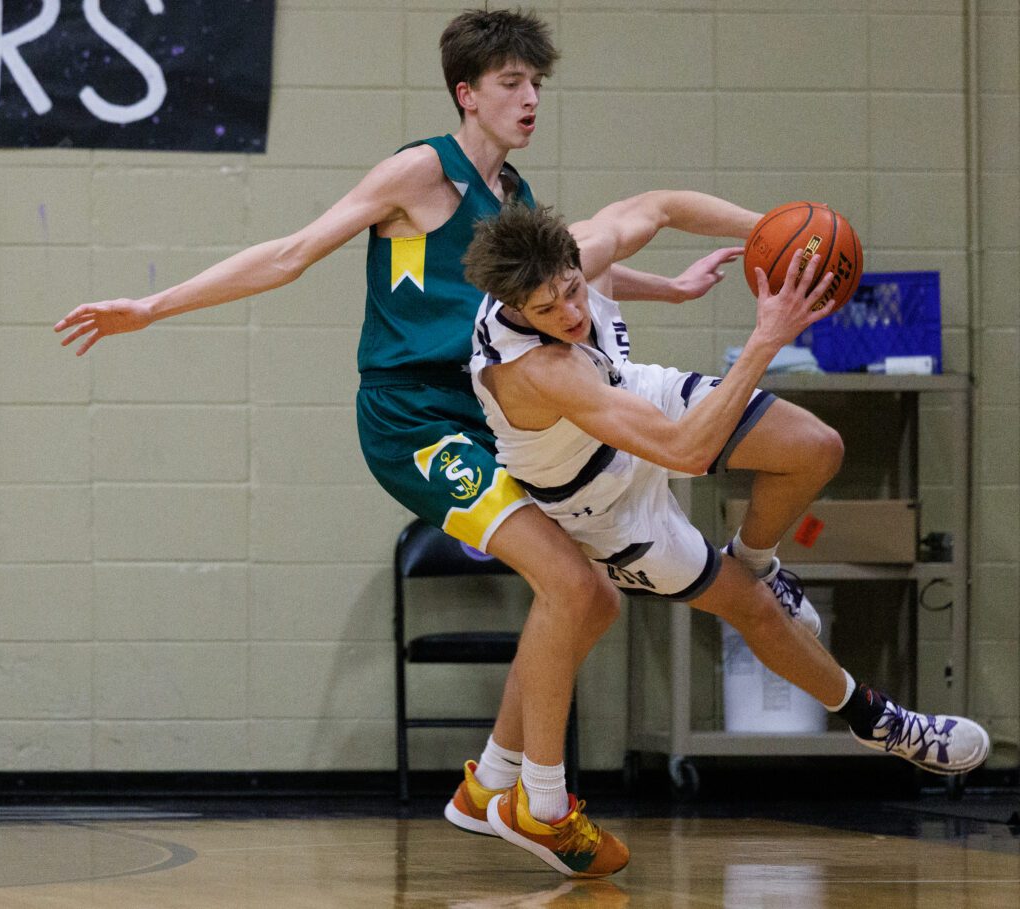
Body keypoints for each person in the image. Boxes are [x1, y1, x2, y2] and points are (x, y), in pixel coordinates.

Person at [52, 8, 760, 876]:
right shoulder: (422, 171)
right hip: (412, 422)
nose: (530, 98)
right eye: (510, 84)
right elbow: (293, 251)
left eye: (536, 83)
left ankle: (484, 787)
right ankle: (539, 802)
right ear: (467, 94)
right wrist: (154, 306)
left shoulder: (515, 201)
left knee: (591, 600)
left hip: (484, 416)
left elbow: (565, 276)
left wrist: (669, 291)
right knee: (569, 582)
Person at [462, 198, 990, 878]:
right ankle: (881, 722)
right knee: (754, 612)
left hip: (634, 403)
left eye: (572, 291)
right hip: (605, 508)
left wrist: (768, 232)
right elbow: (685, 451)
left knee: (815, 446)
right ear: (514, 311)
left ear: (574, 260)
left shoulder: (575, 256)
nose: (570, 313)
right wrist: (767, 336)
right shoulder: (537, 369)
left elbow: (659, 206)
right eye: (547, 312)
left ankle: (757, 556)